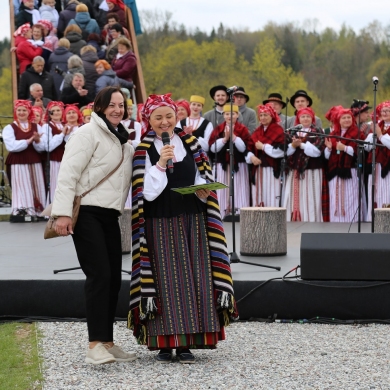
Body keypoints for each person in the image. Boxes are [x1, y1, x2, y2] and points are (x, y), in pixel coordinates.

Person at [128, 93, 237, 364]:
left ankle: (189, 342)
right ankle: (165, 344)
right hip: (159, 224)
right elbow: (146, 194)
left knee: (195, 280)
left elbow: (202, 176)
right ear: (148, 120)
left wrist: (204, 192)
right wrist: (161, 164)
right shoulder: (142, 150)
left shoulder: (192, 143)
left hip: (193, 221)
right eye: (158, 117)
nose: (165, 122)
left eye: (169, 116)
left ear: (177, 116)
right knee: (165, 284)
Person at [51, 86, 135, 365]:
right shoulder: (86, 134)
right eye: (111, 104)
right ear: (99, 106)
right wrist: (63, 214)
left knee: (112, 278)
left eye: (121, 105)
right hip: (86, 213)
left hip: (111, 215)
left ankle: (107, 342)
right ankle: (94, 345)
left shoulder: (124, 141)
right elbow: (68, 174)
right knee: (99, 275)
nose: (117, 109)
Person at [283, 107, 327, 222]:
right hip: (295, 170)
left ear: (312, 118)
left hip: (311, 170)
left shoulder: (317, 131)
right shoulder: (291, 131)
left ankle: (311, 220)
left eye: (308, 116)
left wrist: (301, 145)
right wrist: (293, 146)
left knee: (310, 197)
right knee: (293, 196)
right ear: (298, 118)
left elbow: (317, 152)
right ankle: (293, 219)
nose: (305, 118)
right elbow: (285, 153)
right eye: (303, 116)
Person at [3, 100, 46, 217]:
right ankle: (23, 211)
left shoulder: (37, 126)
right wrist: (28, 141)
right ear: (15, 112)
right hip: (19, 161)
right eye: (19, 110)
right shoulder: (10, 127)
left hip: (34, 159)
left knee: (36, 184)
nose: (21, 113)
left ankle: (38, 211)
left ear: (29, 112)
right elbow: (11, 146)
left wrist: (36, 141)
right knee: (22, 185)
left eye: (24, 110)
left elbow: (42, 147)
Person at [209, 104, 251, 219]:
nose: (230, 116)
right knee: (222, 189)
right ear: (223, 115)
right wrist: (224, 139)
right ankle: (221, 213)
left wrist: (233, 137)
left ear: (237, 115)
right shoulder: (218, 129)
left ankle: (241, 214)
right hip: (221, 164)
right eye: (227, 114)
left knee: (240, 188)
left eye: (233, 114)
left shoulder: (242, 129)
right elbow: (213, 149)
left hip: (239, 164)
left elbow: (243, 148)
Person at [324, 108, 362, 222]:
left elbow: (360, 152)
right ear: (338, 120)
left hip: (350, 171)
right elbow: (326, 157)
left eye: (349, 117)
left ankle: (352, 222)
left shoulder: (358, 133)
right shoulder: (332, 134)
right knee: (335, 198)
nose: (346, 120)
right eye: (343, 118)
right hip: (334, 172)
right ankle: (336, 224)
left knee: (350, 198)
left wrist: (344, 148)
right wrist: (329, 149)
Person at [246, 104, 285, 208]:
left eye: (265, 115)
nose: (263, 117)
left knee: (272, 196)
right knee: (259, 196)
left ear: (272, 116)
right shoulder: (257, 131)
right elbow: (249, 147)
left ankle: (272, 220)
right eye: (261, 115)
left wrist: (263, 147)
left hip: (272, 170)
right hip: (258, 170)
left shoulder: (278, 130)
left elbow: (281, 151)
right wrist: (252, 157)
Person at [365, 101, 390, 221]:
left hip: (388, 166)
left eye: (388, 110)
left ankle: (387, 219)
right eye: (383, 111)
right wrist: (372, 135)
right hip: (377, 166)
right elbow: (367, 147)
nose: (385, 113)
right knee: (377, 192)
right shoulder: (377, 126)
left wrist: (380, 136)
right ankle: (377, 220)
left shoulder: (380, 130)